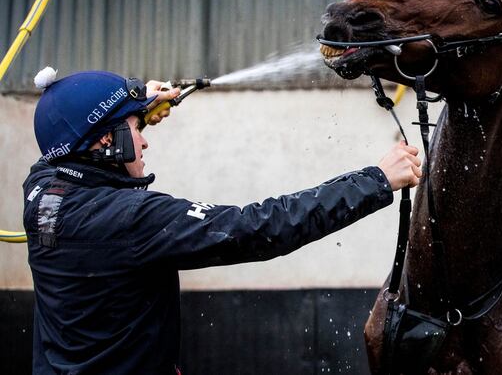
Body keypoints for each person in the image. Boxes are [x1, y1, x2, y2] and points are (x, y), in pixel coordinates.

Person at [22, 70, 421, 374]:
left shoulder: (41, 191)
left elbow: (72, 135)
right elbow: (258, 227)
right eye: (132, 130)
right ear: (107, 142)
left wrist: (139, 108)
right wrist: (375, 181)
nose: (143, 140)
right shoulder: (131, 220)